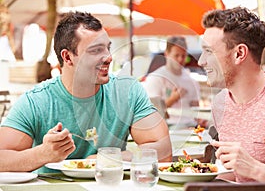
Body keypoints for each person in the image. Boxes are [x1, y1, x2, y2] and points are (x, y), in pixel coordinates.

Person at [0, 11, 172, 173]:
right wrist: (42, 154)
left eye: (107, 48)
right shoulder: (36, 101)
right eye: (96, 50)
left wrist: (111, 159)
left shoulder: (127, 91)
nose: (108, 57)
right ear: (67, 57)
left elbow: (163, 150)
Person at [198, 6, 265, 182]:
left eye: (209, 51)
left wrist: (256, 170)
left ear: (239, 53)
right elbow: (236, 174)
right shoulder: (220, 103)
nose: (200, 61)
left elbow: (249, 170)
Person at [142, 36, 202, 128]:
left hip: (191, 126)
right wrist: (173, 99)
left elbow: (196, 108)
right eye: (176, 55)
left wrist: (200, 118)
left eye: (183, 55)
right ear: (167, 54)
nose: (180, 59)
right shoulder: (156, 77)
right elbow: (150, 113)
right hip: (168, 126)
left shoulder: (190, 79)